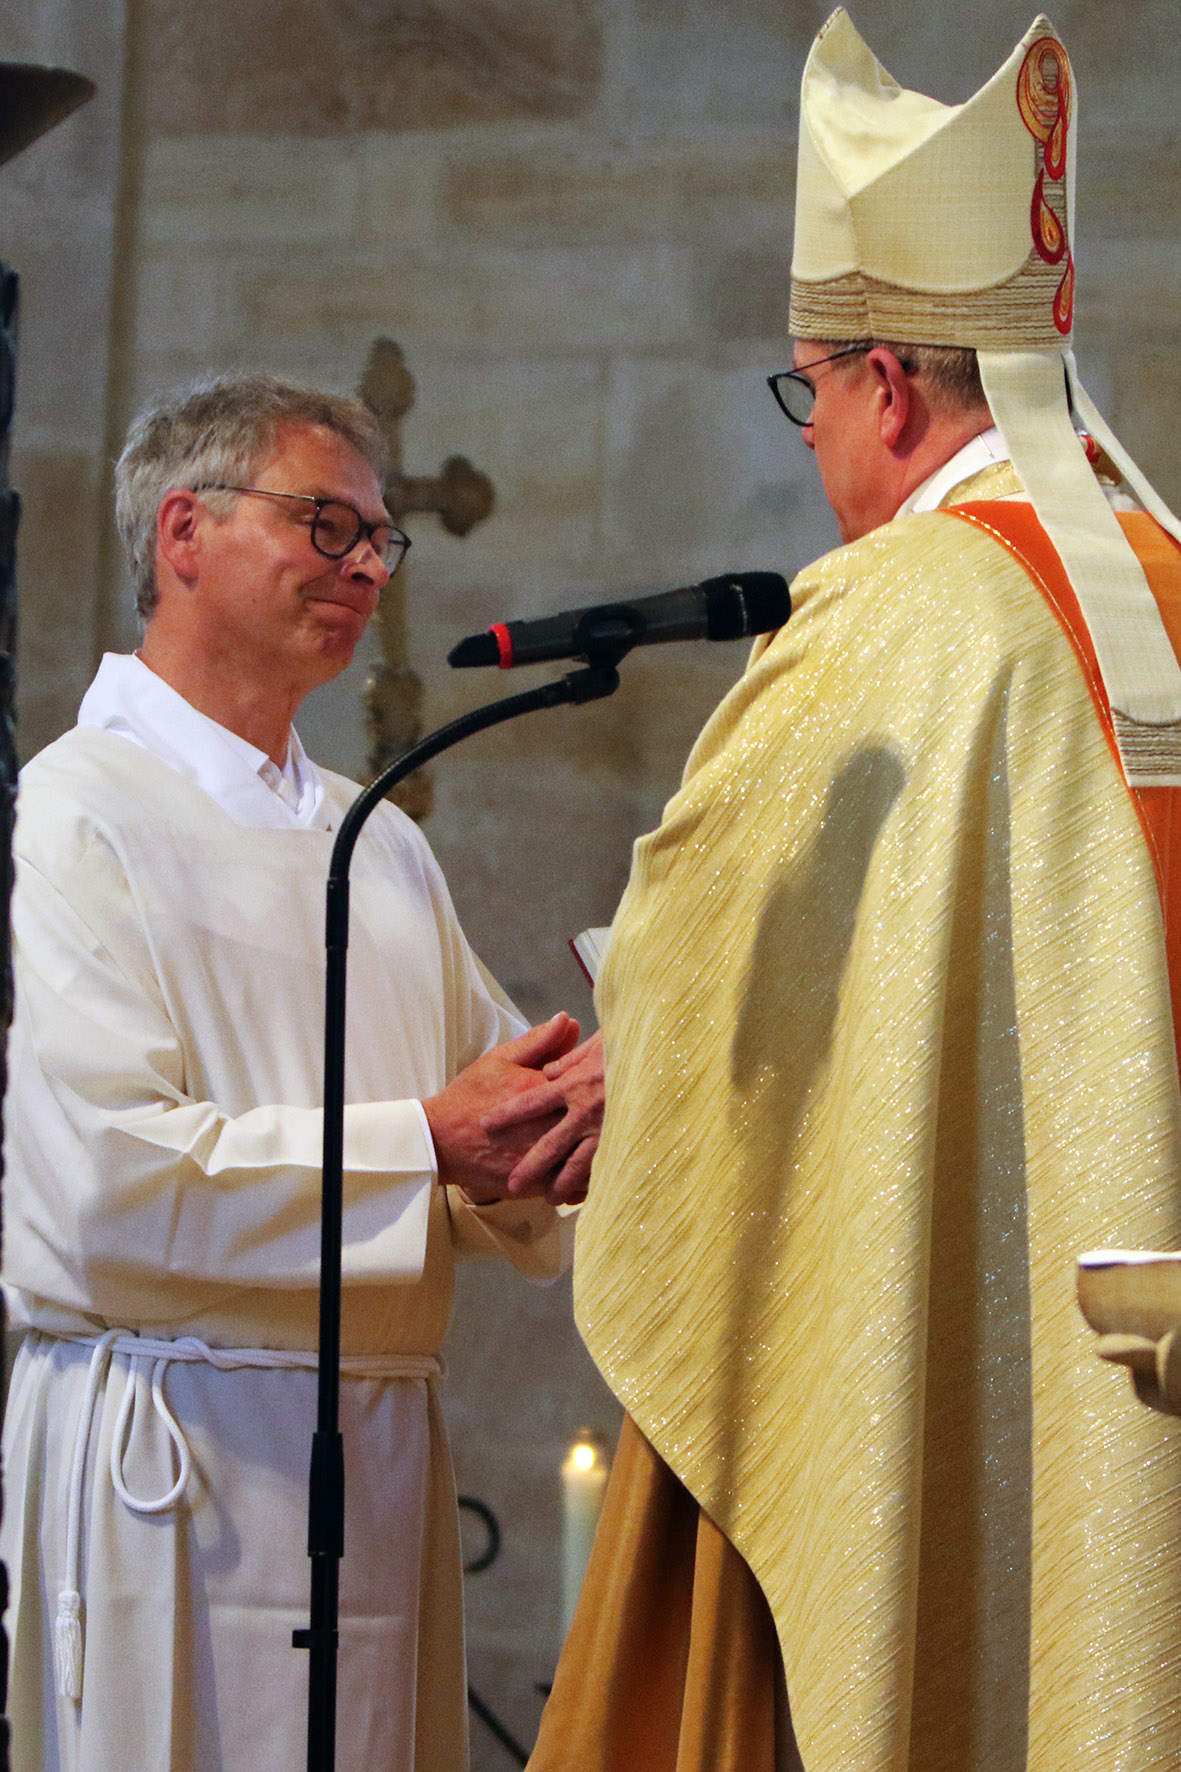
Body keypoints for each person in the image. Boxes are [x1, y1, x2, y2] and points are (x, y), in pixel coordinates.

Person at [515, 12, 1181, 1770]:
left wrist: (624, 1060)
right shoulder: (1165, 581)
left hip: (987, 1369)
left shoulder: (898, 611)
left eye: (807, 390)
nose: (814, 446)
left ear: (886, 382)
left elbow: (713, 964)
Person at [0, 372, 601, 1772]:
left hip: (375, 1453)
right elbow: (100, 1185)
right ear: (181, 534)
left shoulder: (371, 834)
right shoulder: (74, 813)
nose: (362, 569)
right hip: (174, 1461)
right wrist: (429, 1144)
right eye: (323, 523)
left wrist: (547, 1130)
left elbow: (470, 1133)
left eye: (378, 541)